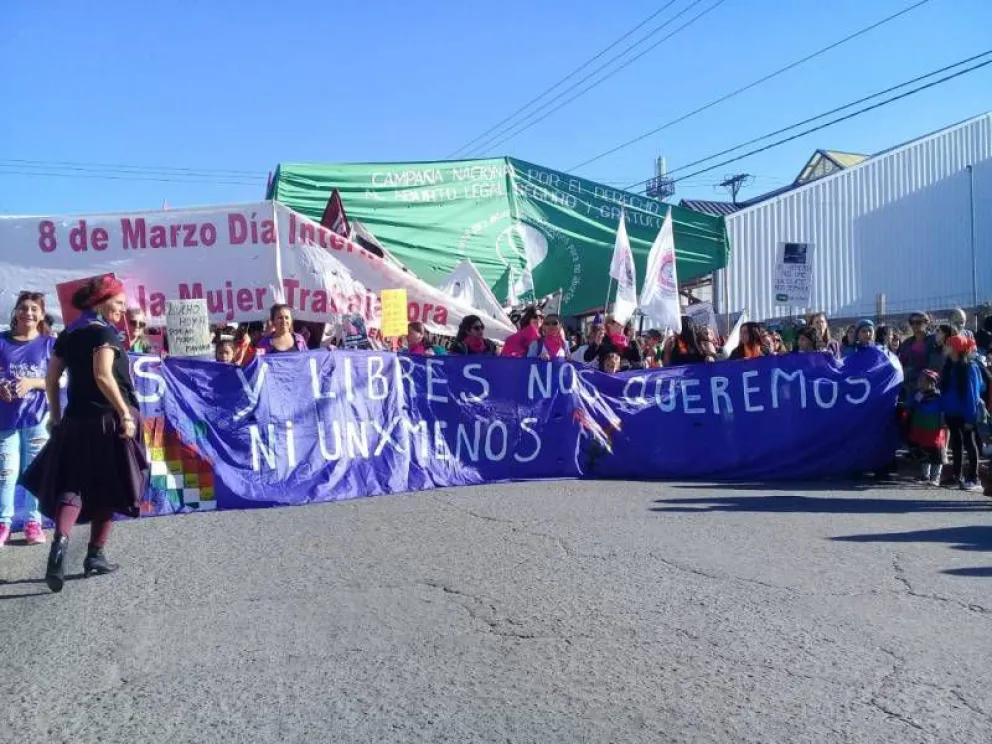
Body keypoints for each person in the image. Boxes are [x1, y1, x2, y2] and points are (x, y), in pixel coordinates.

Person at [20, 275, 149, 593]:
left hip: (76, 420)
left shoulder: (70, 334)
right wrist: (123, 413)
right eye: (118, 303)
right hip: (109, 421)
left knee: (73, 485)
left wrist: (55, 416)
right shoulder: (104, 333)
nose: (122, 309)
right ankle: (95, 554)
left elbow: (51, 378)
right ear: (101, 302)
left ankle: (60, 545)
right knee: (111, 483)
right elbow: (103, 376)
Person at [0, 292, 55, 547]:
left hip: (37, 419)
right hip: (5, 420)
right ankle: (4, 523)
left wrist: (32, 382)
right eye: (23, 308)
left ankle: (34, 522)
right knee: (5, 473)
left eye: (34, 309)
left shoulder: (49, 344)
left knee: (35, 472)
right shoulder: (1, 341)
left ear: (41, 314)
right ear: (16, 312)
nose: (28, 313)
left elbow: (61, 380)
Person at [939, 334, 984, 491]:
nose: (946, 347)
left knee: (970, 444)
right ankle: (956, 475)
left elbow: (972, 395)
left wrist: (970, 418)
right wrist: (944, 411)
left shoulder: (969, 367)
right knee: (956, 445)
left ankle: (974, 478)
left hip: (965, 414)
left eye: (949, 344)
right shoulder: (949, 366)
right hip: (952, 412)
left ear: (956, 347)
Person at [906, 369, 945, 486]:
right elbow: (912, 408)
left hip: (934, 429)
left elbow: (943, 412)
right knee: (923, 451)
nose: (920, 383)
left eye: (923, 381)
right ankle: (925, 475)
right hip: (921, 428)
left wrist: (943, 424)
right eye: (919, 380)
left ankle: (935, 477)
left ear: (931, 382)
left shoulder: (939, 397)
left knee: (936, 453)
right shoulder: (918, 395)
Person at [898, 312, 941, 393]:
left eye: (918, 322)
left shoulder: (934, 340)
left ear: (926, 323)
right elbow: (901, 363)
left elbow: (936, 366)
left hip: (928, 387)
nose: (914, 325)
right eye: (912, 322)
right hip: (909, 387)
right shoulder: (906, 343)